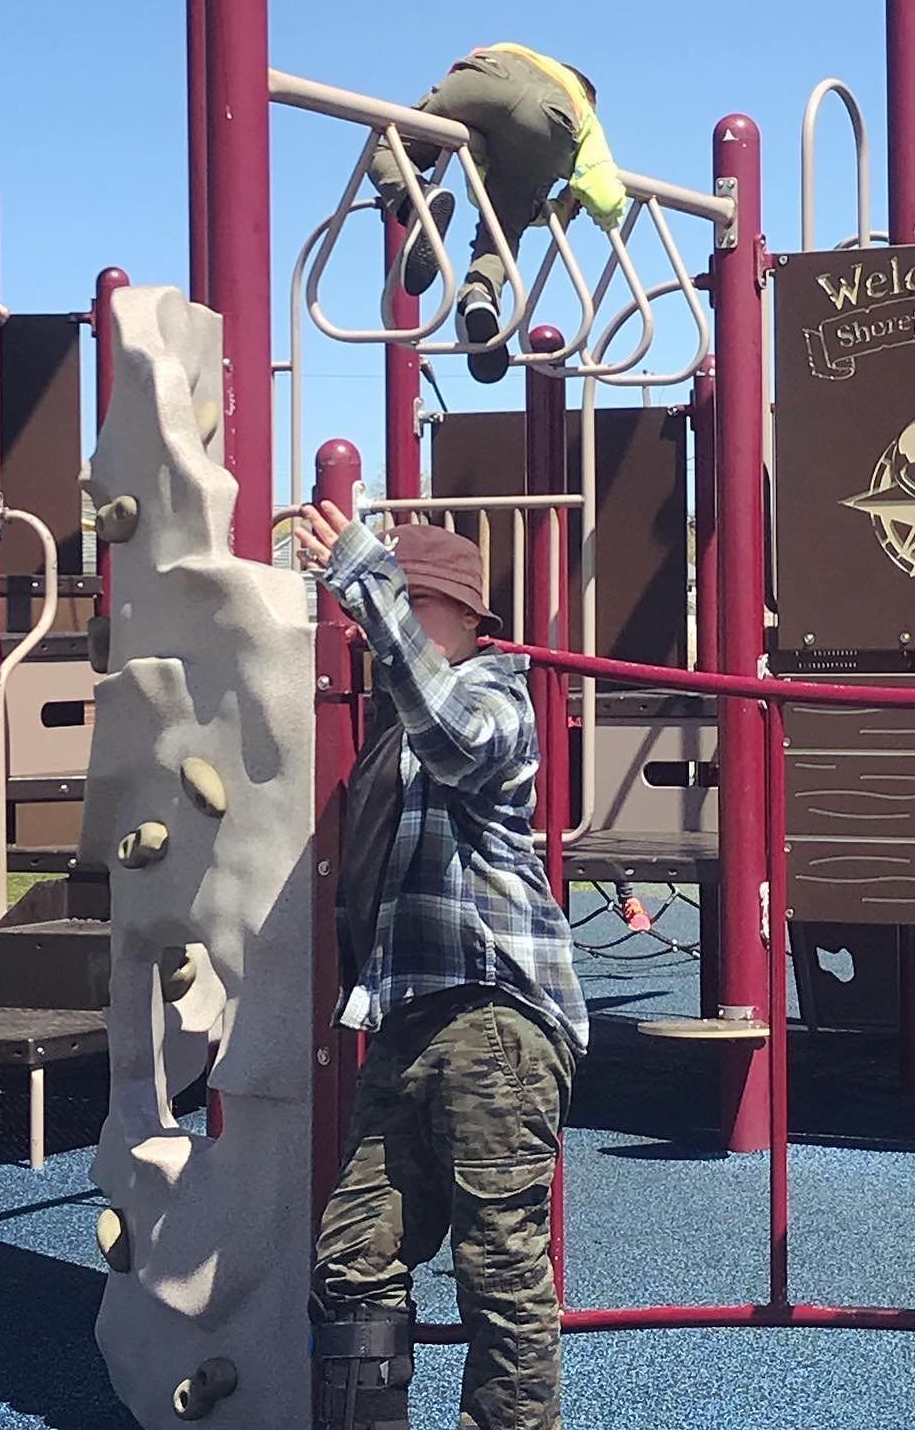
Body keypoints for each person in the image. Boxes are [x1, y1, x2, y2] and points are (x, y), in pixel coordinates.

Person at [296, 504, 587, 1430]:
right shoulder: (407, 722)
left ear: (460, 616)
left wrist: (366, 579)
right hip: (416, 1020)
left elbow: (455, 733)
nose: (391, 633)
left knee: (499, 1266)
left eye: (411, 608)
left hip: (496, 1017)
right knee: (352, 1251)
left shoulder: (498, 697)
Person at [368, 42, 629, 383]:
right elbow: (605, 193)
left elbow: (461, 69)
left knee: (388, 144)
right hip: (552, 121)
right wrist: (573, 202)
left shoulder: (516, 52)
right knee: (503, 231)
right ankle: (481, 294)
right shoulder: (583, 112)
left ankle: (415, 201)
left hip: (485, 77)